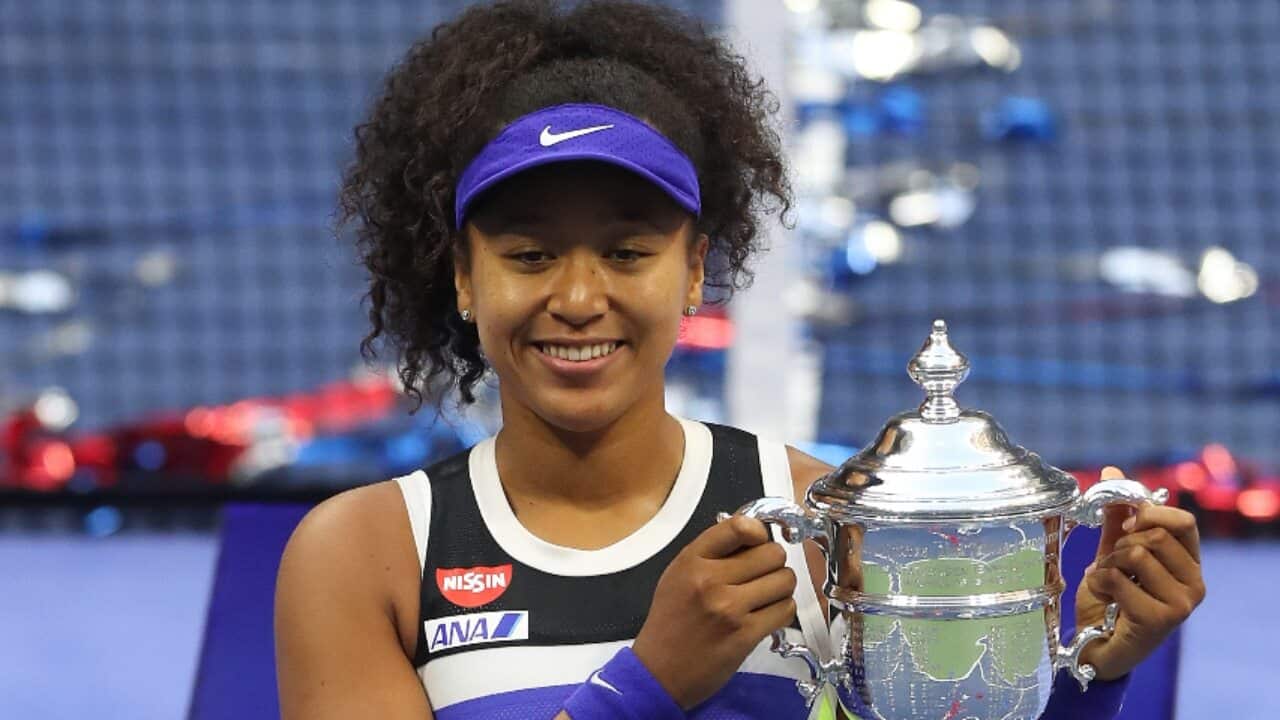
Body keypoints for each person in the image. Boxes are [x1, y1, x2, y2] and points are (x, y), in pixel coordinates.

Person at [274, 1, 1207, 718]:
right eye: (528, 255)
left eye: (628, 251)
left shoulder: (824, 521)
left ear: (694, 273)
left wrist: (1094, 672)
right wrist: (648, 684)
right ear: (464, 279)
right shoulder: (366, 557)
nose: (578, 296)